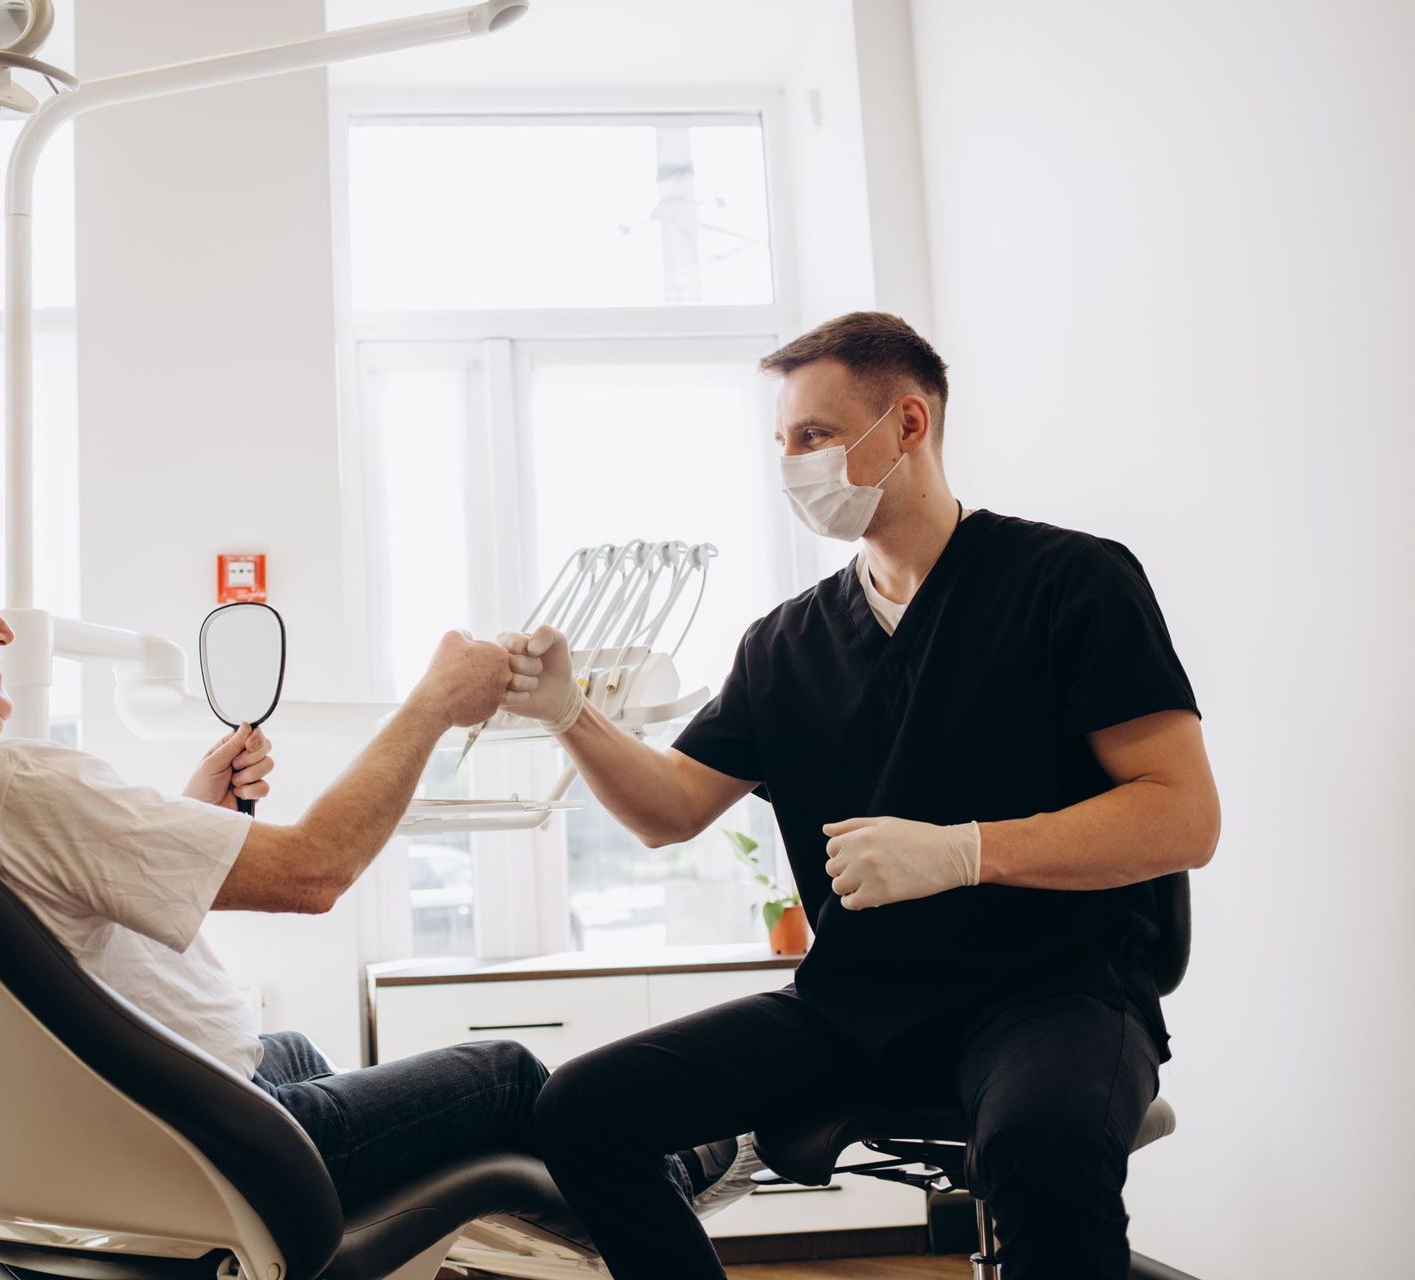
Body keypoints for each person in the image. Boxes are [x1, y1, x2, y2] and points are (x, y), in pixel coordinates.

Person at [506, 312, 1221, 1280]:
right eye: (783, 442)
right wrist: (569, 715)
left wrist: (965, 849)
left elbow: (1184, 814)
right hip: (858, 1005)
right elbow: (672, 805)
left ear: (910, 425)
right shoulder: (784, 644)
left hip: (1054, 993)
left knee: (1041, 1150)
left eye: (816, 435)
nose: (793, 463)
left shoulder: (1070, 583)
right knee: (583, 1109)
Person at [0, 510, 742, 1218]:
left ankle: (549, 1211)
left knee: (301, 1055)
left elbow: (50, 925)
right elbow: (312, 873)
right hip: (193, 1151)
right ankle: (663, 1170)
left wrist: (193, 819)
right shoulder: (4, 778)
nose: (6, 632)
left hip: (117, 1123)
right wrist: (434, 705)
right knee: (505, 1074)